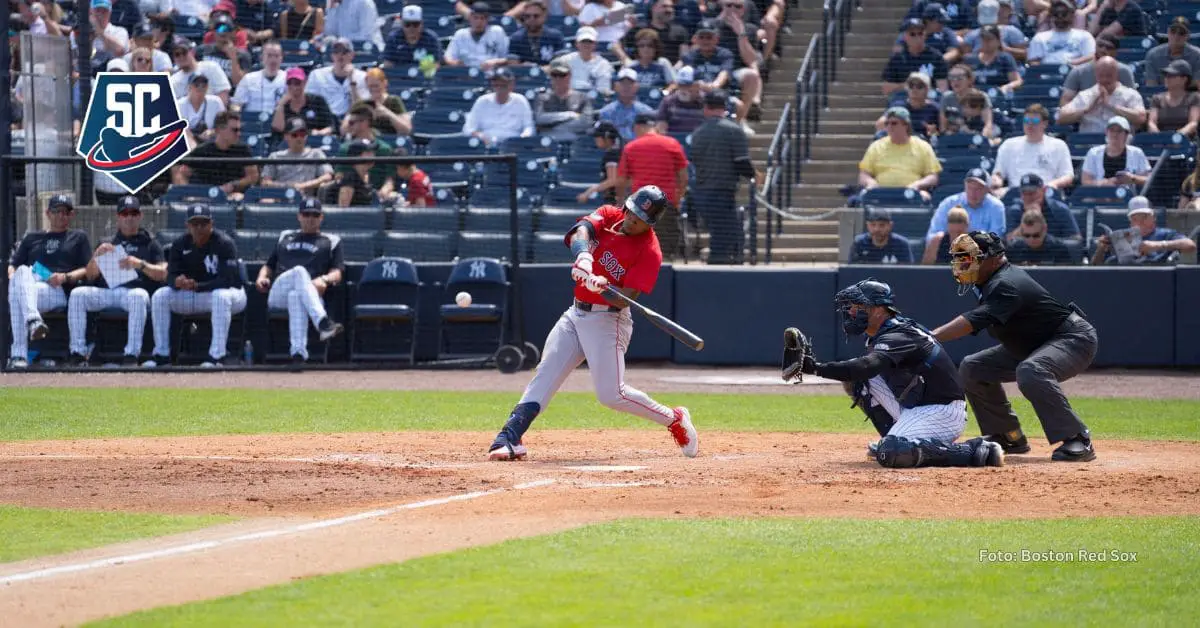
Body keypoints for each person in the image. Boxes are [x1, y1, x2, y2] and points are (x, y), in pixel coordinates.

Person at [486, 185, 698, 461]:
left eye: (640, 220)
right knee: (546, 372)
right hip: (575, 314)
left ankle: (675, 418)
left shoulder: (649, 251)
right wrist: (584, 257)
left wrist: (606, 287)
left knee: (611, 396)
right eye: (632, 213)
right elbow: (581, 231)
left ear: (651, 223)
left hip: (608, 320)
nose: (632, 222)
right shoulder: (610, 215)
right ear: (627, 206)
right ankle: (509, 437)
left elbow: (626, 300)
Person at [780, 280, 1003, 468]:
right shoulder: (884, 332)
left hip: (942, 412)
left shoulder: (899, 335)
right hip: (917, 407)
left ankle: (973, 450)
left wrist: (814, 367)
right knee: (857, 381)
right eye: (850, 307)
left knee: (891, 453)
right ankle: (898, 439)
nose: (851, 312)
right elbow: (860, 372)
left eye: (859, 306)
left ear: (879, 309)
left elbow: (867, 366)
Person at [931, 231, 1098, 462]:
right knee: (973, 367)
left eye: (968, 258)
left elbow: (972, 321)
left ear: (992, 258)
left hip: (1072, 339)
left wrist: (931, 336)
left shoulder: (1006, 283)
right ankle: (1008, 436)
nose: (962, 264)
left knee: (1031, 371)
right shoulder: (991, 281)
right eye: (960, 258)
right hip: (1033, 345)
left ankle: (1078, 438)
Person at [66, 196, 166, 366]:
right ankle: (78, 352)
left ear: (140, 216)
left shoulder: (150, 243)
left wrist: (140, 264)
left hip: (133, 293)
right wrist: (97, 256)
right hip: (107, 292)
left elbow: (163, 273)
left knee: (138, 296)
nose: (129, 217)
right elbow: (90, 276)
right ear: (118, 217)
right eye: (124, 213)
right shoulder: (107, 242)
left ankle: (131, 355)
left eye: (133, 213)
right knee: (78, 294)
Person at [145, 205, 247, 367]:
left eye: (203, 223)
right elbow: (170, 275)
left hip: (231, 294)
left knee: (220, 297)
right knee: (160, 296)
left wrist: (197, 286)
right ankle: (161, 355)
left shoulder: (225, 243)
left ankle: (216, 357)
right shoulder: (179, 244)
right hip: (197, 293)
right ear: (188, 226)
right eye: (195, 224)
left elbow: (227, 280)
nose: (199, 228)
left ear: (211, 224)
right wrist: (176, 282)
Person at [254, 198, 345, 366]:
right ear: (299, 216)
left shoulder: (331, 240)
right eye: (306, 214)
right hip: (279, 293)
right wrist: (261, 278)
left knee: (296, 296)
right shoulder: (286, 236)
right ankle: (323, 323)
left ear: (321, 218)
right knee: (299, 271)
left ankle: (298, 354)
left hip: (311, 295)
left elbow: (337, 273)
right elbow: (268, 266)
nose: (310, 218)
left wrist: (324, 279)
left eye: (315, 215)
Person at [6, 195, 91, 370]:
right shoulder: (32, 237)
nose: (61, 215)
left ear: (71, 214)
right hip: (31, 286)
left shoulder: (78, 237)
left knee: (18, 290)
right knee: (22, 274)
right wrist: (14, 279)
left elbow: (88, 269)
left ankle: (18, 355)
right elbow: (13, 267)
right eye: (57, 211)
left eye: (66, 212)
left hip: (58, 290)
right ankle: (33, 321)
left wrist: (65, 277)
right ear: (47, 213)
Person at [690, 90, 761, 265]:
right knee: (725, 238)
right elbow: (742, 163)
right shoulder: (733, 130)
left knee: (727, 233)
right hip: (722, 191)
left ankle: (725, 268)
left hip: (701, 192)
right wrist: (756, 175)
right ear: (725, 108)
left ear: (706, 108)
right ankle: (718, 276)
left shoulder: (698, 133)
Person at [617, 113, 688, 257]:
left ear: (637, 127)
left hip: (639, 206)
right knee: (665, 250)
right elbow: (684, 177)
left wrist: (620, 203)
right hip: (666, 203)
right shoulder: (672, 143)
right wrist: (678, 198)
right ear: (653, 126)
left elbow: (621, 180)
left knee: (640, 250)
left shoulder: (631, 147)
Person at [857, 107, 941, 203]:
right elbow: (863, 174)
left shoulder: (922, 146)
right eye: (886, 124)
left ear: (906, 125)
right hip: (881, 193)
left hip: (911, 194)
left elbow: (933, 177)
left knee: (925, 196)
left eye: (894, 123)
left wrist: (918, 184)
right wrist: (870, 182)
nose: (889, 127)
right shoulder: (876, 146)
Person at [172, 111, 259, 200]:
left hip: (234, 197)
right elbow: (181, 172)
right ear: (219, 130)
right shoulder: (203, 150)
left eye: (240, 130)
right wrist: (187, 193)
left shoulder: (243, 150)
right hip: (205, 197)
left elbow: (253, 176)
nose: (239, 134)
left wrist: (234, 185)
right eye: (235, 130)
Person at [990, 104, 1074, 194]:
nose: (1030, 124)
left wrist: (1051, 185)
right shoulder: (1008, 145)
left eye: (1035, 121)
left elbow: (1068, 176)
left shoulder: (1059, 145)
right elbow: (999, 174)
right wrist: (996, 181)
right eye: (1026, 120)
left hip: (1045, 192)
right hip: (1016, 193)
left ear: (1044, 124)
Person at [1092, 196, 1197, 264]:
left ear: (1154, 217)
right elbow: (1095, 267)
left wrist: (1159, 245)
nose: (1140, 221)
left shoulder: (1166, 234)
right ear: (1130, 221)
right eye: (1135, 218)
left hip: (1157, 279)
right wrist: (1100, 249)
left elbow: (1190, 245)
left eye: (1145, 217)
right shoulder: (1120, 237)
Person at [1057, 56, 1146, 133]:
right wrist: (1086, 109)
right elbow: (1061, 117)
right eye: (1101, 75)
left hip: (1120, 144)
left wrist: (1112, 106)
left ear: (1116, 74)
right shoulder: (1085, 95)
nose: (1104, 79)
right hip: (1089, 145)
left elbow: (1141, 118)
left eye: (1109, 75)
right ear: (1096, 74)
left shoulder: (1130, 94)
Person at [261, 117, 335, 197]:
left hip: (307, 200)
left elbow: (327, 177)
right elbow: (265, 182)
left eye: (302, 134)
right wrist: (287, 186)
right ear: (286, 136)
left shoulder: (316, 154)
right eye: (295, 135)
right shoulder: (275, 156)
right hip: (280, 198)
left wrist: (303, 185)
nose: (299, 138)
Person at [1058, 34, 1136, 105]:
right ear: (1095, 47)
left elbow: (1132, 101)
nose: (1103, 50)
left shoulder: (1124, 71)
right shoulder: (1078, 72)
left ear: (1115, 52)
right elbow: (1065, 101)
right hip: (1084, 117)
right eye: (1100, 45)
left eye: (1108, 48)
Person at [928, 168, 1006, 240]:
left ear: (987, 189)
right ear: (965, 186)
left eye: (978, 189)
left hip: (982, 252)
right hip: (949, 251)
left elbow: (996, 239)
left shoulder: (996, 207)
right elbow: (932, 235)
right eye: (970, 187)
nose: (973, 193)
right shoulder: (949, 204)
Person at [464, 67, 535, 144]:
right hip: (485, 146)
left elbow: (529, 127)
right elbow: (469, 128)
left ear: (511, 84)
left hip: (513, 145)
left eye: (503, 84)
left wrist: (522, 139)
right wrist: (480, 137)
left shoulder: (520, 100)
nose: (499, 86)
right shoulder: (482, 101)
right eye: (496, 83)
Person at [882, 18, 949, 97]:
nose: (917, 37)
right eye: (912, 34)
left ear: (925, 35)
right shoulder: (897, 58)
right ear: (905, 37)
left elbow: (942, 88)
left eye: (920, 33)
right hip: (904, 98)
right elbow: (886, 89)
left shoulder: (936, 56)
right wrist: (911, 86)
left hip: (929, 98)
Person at [1004, 173, 1080, 242]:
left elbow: (1075, 240)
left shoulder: (1060, 209)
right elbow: (1009, 241)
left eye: (1031, 193)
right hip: (1023, 255)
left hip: (1053, 254)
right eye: (1024, 193)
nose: (1028, 197)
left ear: (1044, 190)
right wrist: (1027, 220)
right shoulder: (1015, 210)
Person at [306, 37, 370, 118]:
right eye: (336, 52)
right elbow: (308, 102)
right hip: (324, 119)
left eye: (345, 52)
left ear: (352, 55)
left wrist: (352, 80)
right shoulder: (317, 75)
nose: (340, 55)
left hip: (350, 121)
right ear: (332, 55)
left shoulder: (362, 77)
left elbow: (362, 109)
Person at [1080, 116, 1150, 187]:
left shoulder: (1137, 153)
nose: (1115, 134)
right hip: (1099, 195)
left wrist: (1133, 178)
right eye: (1111, 130)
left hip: (1128, 195)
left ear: (1126, 135)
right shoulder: (1093, 153)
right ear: (1106, 132)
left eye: (1119, 131)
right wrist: (1104, 183)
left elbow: (1148, 179)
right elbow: (1085, 181)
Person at [533, 60, 593, 141]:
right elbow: (539, 118)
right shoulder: (542, 97)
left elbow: (586, 122)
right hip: (549, 143)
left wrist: (554, 129)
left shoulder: (582, 97)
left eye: (562, 75)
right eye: (554, 75)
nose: (558, 78)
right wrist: (569, 115)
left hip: (573, 143)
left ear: (570, 75)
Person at [617, 0, 689, 65]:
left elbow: (684, 57)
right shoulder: (640, 29)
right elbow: (616, 45)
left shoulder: (680, 31)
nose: (669, 10)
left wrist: (674, 69)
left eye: (671, 7)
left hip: (671, 74)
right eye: (664, 6)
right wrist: (626, 60)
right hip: (642, 72)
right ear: (653, 8)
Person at [270, 67, 336, 138]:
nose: (294, 87)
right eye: (289, 83)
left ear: (304, 82)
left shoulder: (317, 101)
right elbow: (278, 129)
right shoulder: (283, 105)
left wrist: (317, 133)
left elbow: (330, 127)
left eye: (297, 83)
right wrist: (281, 104)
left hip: (315, 142)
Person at [1027, 0, 1094, 66]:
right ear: (1051, 16)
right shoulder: (1039, 38)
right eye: (1056, 14)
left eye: (1064, 14)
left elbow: (1091, 57)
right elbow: (1033, 61)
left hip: (1076, 73)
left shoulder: (1085, 36)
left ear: (1072, 15)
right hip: (1048, 73)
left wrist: (1071, 64)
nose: (1060, 17)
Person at [444, 2, 510, 69]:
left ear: (488, 19)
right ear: (470, 18)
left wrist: (496, 62)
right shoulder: (460, 34)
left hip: (492, 75)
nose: (479, 21)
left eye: (482, 18)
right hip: (466, 76)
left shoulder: (497, 32)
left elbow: (508, 58)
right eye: (475, 18)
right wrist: (455, 63)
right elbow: (448, 57)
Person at [874, 73, 940, 139]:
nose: (914, 89)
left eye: (919, 86)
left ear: (927, 90)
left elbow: (940, 132)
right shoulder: (898, 106)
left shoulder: (934, 108)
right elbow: (880, 124)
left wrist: (933, 132)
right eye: (911, 86)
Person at [169, 36, 232, 104]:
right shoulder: (173, 81)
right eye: (177, 54)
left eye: (184, 53)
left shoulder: (211, 67)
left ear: (192, 52)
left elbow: (223, 96)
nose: (181, 57)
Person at [230, 38, 286, 114]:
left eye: (276, 56)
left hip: (277, 122)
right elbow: (236, 104)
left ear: (281, 58)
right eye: (269, 55)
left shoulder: (288, 79)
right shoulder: (249, 78)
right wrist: (235, 112)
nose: (273, 60)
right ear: (262, 57)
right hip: (252, 122)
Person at [598, 68, 657, 141]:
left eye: (630, 83)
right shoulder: (606, 112)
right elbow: (603, 141)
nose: (626, 87)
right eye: (623, 83)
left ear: (636, 86)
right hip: (615, 150)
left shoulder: (647, 112)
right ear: (616, 86)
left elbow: (651, 137)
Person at [893, 2, 961, 64]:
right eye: (940, 21)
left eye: (944, 21)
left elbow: (954, 51)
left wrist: (938, 62)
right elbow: (898, 49)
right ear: (928, 20)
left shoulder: (946, 32)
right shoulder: (912, 32)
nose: (942, 24)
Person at [195, 12, 252, 86]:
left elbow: (240, 84)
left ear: (233, 33)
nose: (222, 33)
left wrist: (233, 58)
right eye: (219, 29)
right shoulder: (202, 50)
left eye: (226, 29)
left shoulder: (243, 55)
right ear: (214, 32)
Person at [960, 0, 1027, 61]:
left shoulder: (1011, 31)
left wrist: (1004, 49)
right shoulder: (972, 35)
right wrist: (979, 54)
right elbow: (965, 57)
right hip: (980, 71)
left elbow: (1025, 54)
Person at [939, 65, 996, 138]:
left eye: (960, 78)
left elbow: (988, 124)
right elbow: (943, 128)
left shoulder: (981, 96)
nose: (955, 81)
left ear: (970, 80)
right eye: (952, 77)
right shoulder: (946, 97)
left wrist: (981, 139)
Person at [1148, 60, 1200, 137]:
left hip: (1185, 142)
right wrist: (1159, 138)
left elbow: (1193, 123)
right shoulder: (1157, 98)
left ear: (1184, 79)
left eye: (1172, 76)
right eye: (1166, 75)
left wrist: (1177, 137)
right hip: (1160, 142)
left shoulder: (1194, 97)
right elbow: (1151, 123)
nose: (1167, 78)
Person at [354, 68, 411, 136]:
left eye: (376, 86)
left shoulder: (393, 101)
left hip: (389, 140)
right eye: (370, 86)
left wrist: (388, 113)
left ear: (384, 83)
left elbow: (406, 130)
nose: (374, 89)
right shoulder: (364, 103)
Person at [1144, 17, 1200, 86]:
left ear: (1188, 36)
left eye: (1181, 33)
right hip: (1160, 95)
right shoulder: (1153, 55)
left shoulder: (1197, 55)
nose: (1176, 36)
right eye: (1173, 31)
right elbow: (1151, 86)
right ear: (1168, 33)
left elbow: (1197, 86)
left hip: (1189, 96)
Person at [966, 25, 1022, 94]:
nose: (986, 42)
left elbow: (1017, 81)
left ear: (998, 41)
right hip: (975, 98)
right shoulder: (970, 59)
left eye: (989, 39)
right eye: (983, 39)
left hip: (998, 97)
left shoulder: (1005, 58)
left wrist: (1006, 87)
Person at [578, 121, 623, 204]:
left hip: (615, 200)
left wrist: (590, 191)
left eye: (597, 136)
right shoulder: (617, 151)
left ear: (606, 136)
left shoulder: (612, 154)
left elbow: (612, 180)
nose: (595, 139)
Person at [382, 4, 441, 69]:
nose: (411, 28)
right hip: (399, 77)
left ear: (422, 24)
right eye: (407, 24)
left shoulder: (431, 39)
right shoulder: (394, 39)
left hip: (424, 77)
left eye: (415, 24)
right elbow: (388, 65)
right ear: (402, 24)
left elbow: (436, 65)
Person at [1006, 211, 1075, 265]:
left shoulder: (1059, 249)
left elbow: (1065, 277)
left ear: (1044, 230)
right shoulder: (1014, 249)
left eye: (1036, 235)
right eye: (1026, 235)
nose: (1031, 239)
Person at [508, 0, 564, 64]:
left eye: (536, 16)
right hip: (522, 73)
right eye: (527, 16)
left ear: (544, 17)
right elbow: (512, 64)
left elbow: (560, 64)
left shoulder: (555, 36)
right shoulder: (516, 38)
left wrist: (542, 69)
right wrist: (525, 67)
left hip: (550, 73)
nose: (532, 19)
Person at [561, 27, 613, 94]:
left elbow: (603, 90)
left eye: (590, 42)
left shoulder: (603, 64)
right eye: (583, 41)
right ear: (576, 43)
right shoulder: (565, 60)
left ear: (595, 44)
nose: (586, 44)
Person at [177, 74, 225, 144]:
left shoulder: (216, 102)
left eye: (204, 86)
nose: (200, 88)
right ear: (189, 87)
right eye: (196, 85)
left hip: (210, 143)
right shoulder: (179, 105)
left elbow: (224, 125)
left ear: (207, 87)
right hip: (186, 143)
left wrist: (212, 132)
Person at [656, 66, 705, 133]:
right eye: (680, 85)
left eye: (687, 85)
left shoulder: (705, 102)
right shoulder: (668, 102)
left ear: (698, 86)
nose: (682, 89)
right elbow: (661, 128)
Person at [337, 138, 381, 206]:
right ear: (357, 156)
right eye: (368, 152)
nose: (373, 155)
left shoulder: (367, 176)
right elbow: (343, 210)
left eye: (373, 152)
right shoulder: (350, 178)